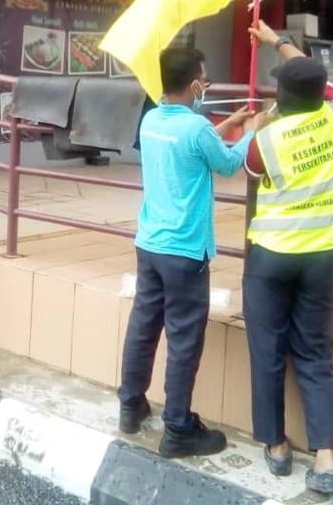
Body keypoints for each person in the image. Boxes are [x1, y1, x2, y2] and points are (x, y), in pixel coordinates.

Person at [118, 46, 261, 458]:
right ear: (195, 84)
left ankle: (131, 406)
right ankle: (178, 428)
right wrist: (252, 130)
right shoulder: (196, 128)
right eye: (206, 80)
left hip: (150, 244)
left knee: (143, 326)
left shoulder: (151, 120)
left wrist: (229, 123)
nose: (207, 86)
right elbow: (229, 164)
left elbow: (193, 146)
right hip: (185, 253)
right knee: (183, 340)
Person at [242, 20, 333, 495]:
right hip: (324, 255)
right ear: (322, 93)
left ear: (281, 97)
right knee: (315, 352)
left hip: (272, 257)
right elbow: (312, 76)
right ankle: (326, 460)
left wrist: (256, 125)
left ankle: (277, 446)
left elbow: (248, 167)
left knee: (268, 349)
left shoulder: (266, 140)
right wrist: (280, 42)